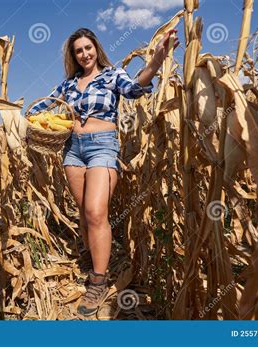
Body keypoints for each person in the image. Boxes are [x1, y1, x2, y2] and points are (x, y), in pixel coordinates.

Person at [27, 27, 179, 317]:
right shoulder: (68, 84)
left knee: (97, 212)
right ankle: (93, 252)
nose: (84, 54)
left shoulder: (112, 75)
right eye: (78, 51)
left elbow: (135, 89)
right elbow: (45, 107)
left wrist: (157, 61)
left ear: (96, 48)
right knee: (84, 212)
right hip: (72, 149)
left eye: (88, 48)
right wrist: (24, 118)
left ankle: (99, 280)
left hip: (102, 146)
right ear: (73, 56)